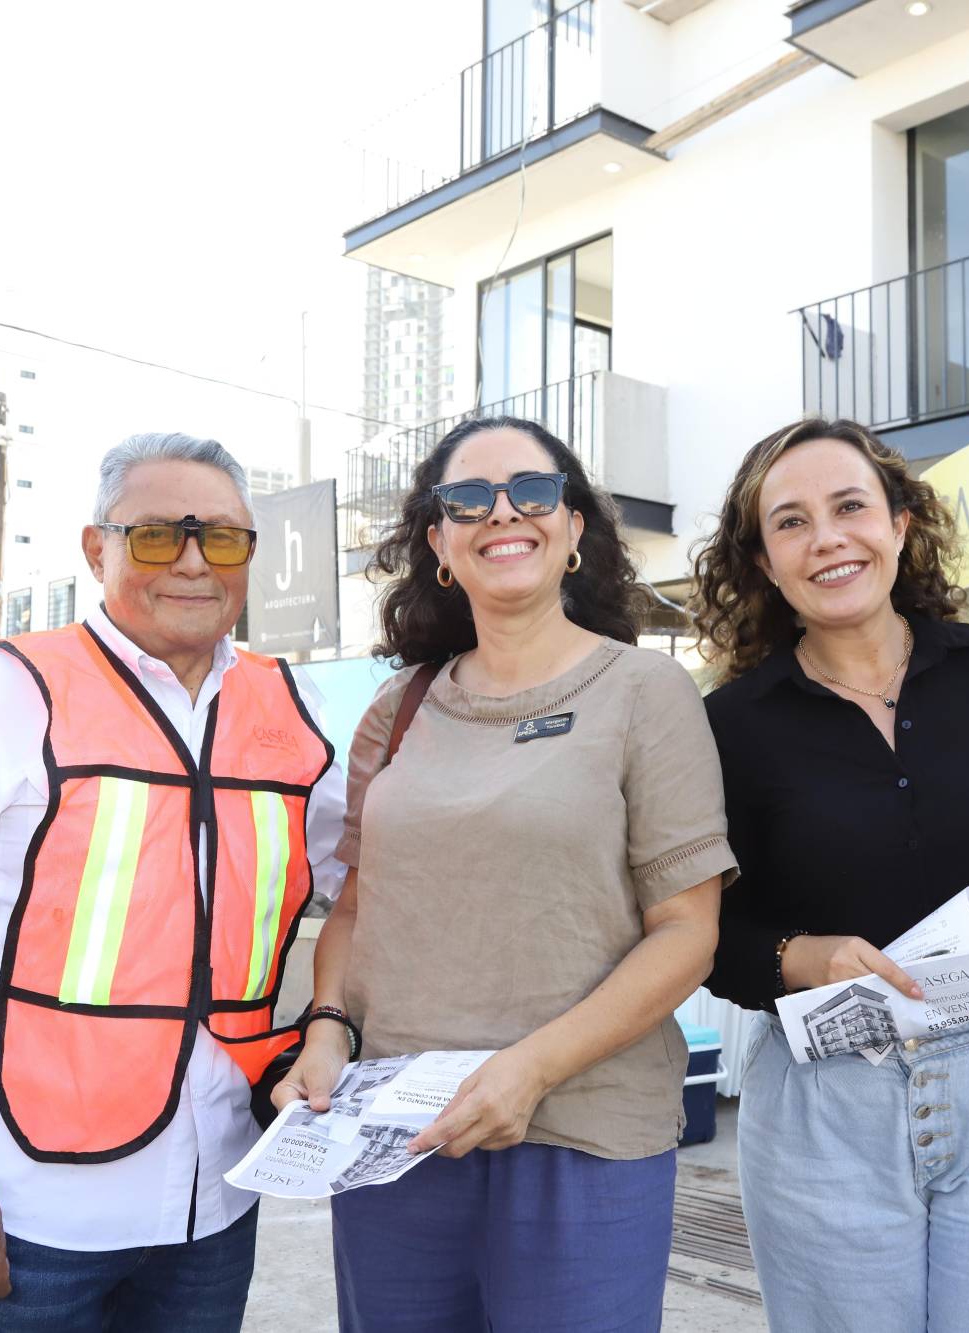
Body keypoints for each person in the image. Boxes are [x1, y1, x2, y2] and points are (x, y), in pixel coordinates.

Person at [0, 433, 346, 1330]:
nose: (192, 561)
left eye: (222, 538)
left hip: (216, 1200)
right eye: (155, 536)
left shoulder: (289, 710)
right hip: (28, 1210)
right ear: (94, 547)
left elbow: (377, 881)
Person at [279, 416, 735, 1331]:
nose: (501, 513)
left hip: (584, 1134)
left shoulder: (648, 693)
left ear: (572, 529)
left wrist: (524, 1072)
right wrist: (326, 1030)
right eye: (466, 499)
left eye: (531, 491)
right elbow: (360, 905)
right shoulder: (398, 709)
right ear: (439, 543)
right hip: (399, 1132)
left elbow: (688, 932)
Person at [690, 418, 969, 1333]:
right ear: (762, 561)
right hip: (825, 1108)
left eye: (849, 507)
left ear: (901, 524)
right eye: (790, 522)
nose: (827, 537)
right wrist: (803, 955)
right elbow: (703, 940)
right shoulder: (729, 726)